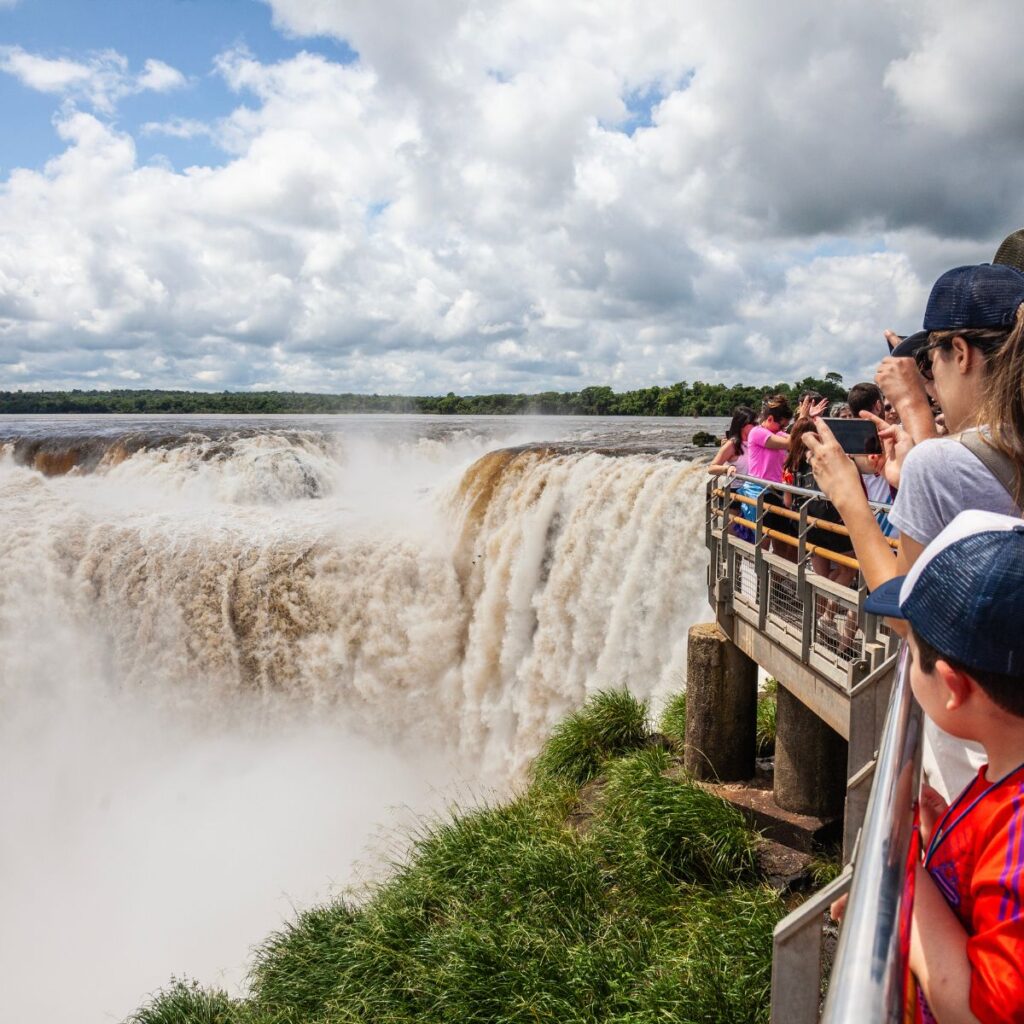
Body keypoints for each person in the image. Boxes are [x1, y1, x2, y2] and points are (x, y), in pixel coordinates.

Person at [805, 263, 1024, 798]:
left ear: (961, 353)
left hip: (978, 753)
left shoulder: (941, 464)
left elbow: (910, 617)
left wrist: (849, 498)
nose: (931, 380)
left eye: (931, 361)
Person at [862, 510, 1024, 1023]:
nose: (907, 663)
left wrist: (898, 881)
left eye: (910, 652)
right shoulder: (1002, 774)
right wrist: (947, 844)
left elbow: (983, 1014)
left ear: (953, 686)